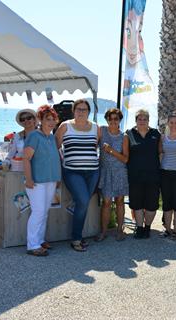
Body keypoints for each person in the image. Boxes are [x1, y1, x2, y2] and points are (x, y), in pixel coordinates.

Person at [55, 99, 100, 252]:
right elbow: (55, 147)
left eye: (84, 109)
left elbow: (95, 147)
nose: (81, 112)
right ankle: (75, 238)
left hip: (93, 172)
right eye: (78, 109)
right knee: (83, 200)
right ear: (73, 111)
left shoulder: (95, 128)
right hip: (72, 171)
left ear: (89, 112)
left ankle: (78, 236)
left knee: (84, 203)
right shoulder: (65, 126)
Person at [23, 105, 61, 256]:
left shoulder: (51, 137)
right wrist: (29, 179)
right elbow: (26, 159)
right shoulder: (34, 136)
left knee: (44, 212)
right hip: (36, 181)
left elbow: (54, 159)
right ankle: (32, 245)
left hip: (50, 180)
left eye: (53, 119)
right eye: (48, 119)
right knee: (38, 212)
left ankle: (40, 240)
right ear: (41, 120)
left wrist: (57, 178)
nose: (51, 122)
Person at [127, 109, 162, 239]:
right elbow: (126, 154)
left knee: (152, 205)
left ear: (148, 120)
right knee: (137, 204)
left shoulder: (155, 133)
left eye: (144, 119)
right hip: (135, 176)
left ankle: (147, 227)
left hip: (153, 176)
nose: (142, 121)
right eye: (139, 119)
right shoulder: (129, 134)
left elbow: (160, 153)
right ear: (136, 121)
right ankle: (139, 228)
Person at [96, 108, 129, 242]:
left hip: (119, 172)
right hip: (105, 172)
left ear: (120, 120)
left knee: (120, 201)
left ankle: (119, 230)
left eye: (116, 118)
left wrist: (111, 151)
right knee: (106, 202)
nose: (113, 121)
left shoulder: (124, 137)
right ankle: (103, 231)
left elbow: (125, 159)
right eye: (111, 118)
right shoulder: (102, 131)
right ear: (107, 119)